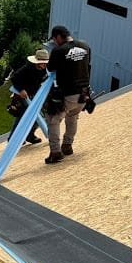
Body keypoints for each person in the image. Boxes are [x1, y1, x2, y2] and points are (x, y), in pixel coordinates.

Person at [44, 26, 91, 164]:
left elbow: (50, 68)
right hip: (84, 94)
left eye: (54, 39)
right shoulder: (85, 46)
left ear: (58, 36)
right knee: (72, 117)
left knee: (53, 119)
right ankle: (67, 146)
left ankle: (56, 152)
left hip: (68, 93)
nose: (54, 42)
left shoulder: (58, 51)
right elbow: (88, 65)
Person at [7, 49, 49, 144]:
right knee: (22, 117)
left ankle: (29, 135)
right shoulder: (26, 69)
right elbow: (14, 78)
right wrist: (21, 90)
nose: (44, 65)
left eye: (45, 63)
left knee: (38, 117)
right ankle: (13, 139)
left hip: (35, 95)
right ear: (37, 63)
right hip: (22, 96)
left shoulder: (44, 70)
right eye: (42, 63)